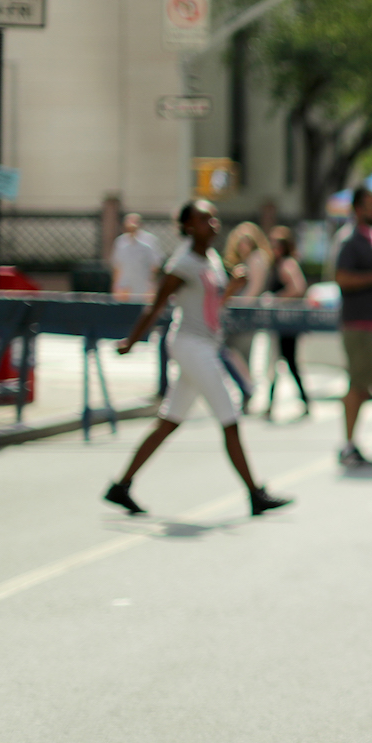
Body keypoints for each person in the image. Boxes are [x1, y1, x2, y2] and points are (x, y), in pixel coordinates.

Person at [103, 201, 291, 517]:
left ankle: (120, 486)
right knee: (230, 417)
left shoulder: (211, 259)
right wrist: (131, 341)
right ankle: (255, 494)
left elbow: (213, 304)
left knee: (169, 421)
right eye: (204, 219)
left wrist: (232, 287)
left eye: (214, 218)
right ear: (188, 226)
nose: (213, 224)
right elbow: (157, 304)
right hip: (192, 345)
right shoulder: (183, 263)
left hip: (203, 343)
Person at [334, 187, 372, 471]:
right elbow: (342, 278)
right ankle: (347, 444)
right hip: (359, 324)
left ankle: (352, 442)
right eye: (370, 205)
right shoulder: (350, 239)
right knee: (357, 385)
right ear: (358, 208)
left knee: (367, 385)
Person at [222, 222, 273, 411]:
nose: (242, 246)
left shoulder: (257, 259)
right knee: (234, 352)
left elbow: (252, 291)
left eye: (246, 241)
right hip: (240, 312)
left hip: (246, 314)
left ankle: (247, 390)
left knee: (240, 351)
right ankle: (246, 390)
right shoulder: (246, 261)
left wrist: (232, 303)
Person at [263, 225, 311, 420]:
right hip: (280, 321)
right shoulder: (278, 264)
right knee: (280, 362)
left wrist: (276, 298)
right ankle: (272, 404)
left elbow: (298, 288)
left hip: (287, 321)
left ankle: (279, 403)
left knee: (285, 362)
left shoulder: (287, 265)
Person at [110, 213, 162, 300]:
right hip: (125, 286)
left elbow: (155, 265)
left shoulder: (149, 241)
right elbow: (117, 265)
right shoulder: (120, 241)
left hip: (143, 285)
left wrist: (151, 285)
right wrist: (116, 285)